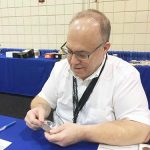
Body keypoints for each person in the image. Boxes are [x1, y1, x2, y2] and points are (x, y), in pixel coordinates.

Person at [25, 9, 150, 147]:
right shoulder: (60, 68)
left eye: (82, 54)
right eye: (69, 51)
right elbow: (42, 100)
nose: (72, 62)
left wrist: (83, 133)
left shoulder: (125, 74)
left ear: (105, 48)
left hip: (100, 145)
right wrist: (39, 110)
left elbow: (141, 129)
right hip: (56, 142)